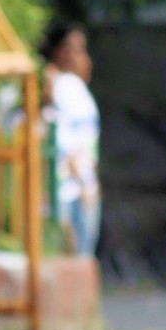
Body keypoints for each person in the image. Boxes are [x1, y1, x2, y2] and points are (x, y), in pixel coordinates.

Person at [45, 20, 102, 259]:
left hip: (83, 187)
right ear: (59, 51)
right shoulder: (61, 86)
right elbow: (63, 141)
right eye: (74, 49)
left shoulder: (76, 88)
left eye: (82, 49)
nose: (81, 57)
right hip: (70, 191)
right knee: (74, 260)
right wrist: (84, 185)